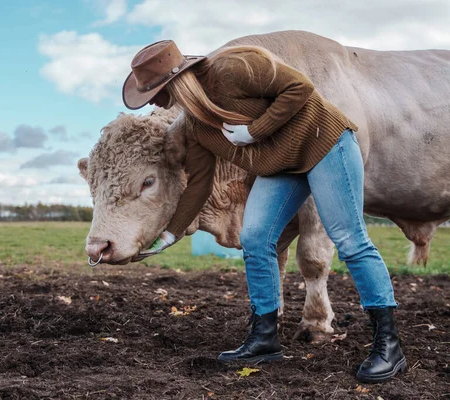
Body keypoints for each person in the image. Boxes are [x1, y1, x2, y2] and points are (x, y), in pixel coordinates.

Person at [121, 39, 406, 383]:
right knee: (254, 237)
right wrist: (168, 235)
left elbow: (300, 88)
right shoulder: (195, 126)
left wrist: (254, 130)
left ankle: (389, 346)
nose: (150, 100)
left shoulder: (229, 71)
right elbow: (199, 184)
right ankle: (264, 338)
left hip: (324, 143)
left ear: (175, 80)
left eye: (154, 90)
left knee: (349, 239)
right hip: (283, 166)